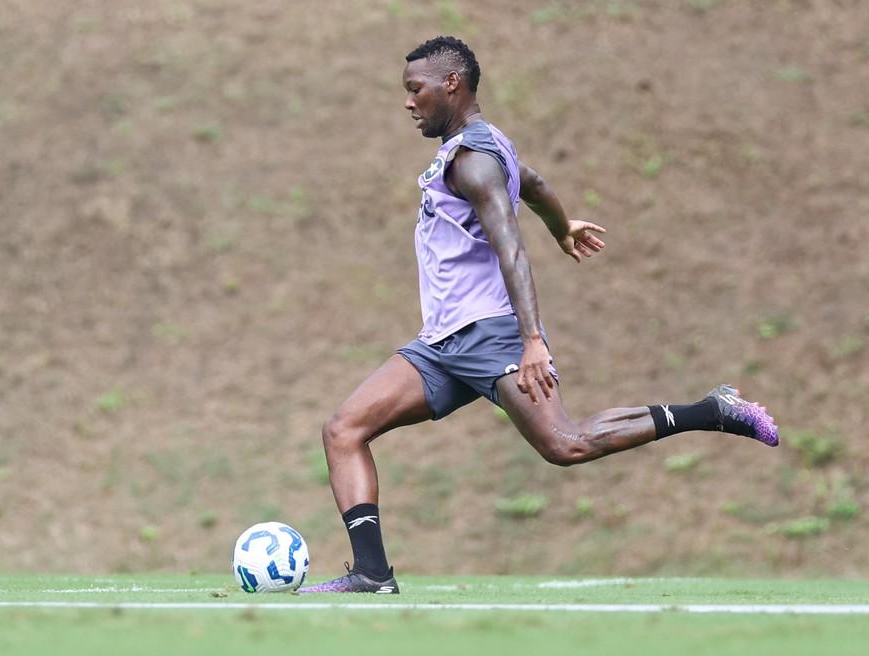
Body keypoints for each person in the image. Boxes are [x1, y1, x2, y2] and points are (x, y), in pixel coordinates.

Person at [299, 36, 778, 595]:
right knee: (344, 429)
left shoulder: (474, 161)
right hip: (443, 342)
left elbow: (511, 249)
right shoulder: (481, 148)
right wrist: (562, 226)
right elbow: (535, 184)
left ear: (451, 84)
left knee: (566, 443)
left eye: (416, 89)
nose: (408, 102)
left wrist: (531, 340)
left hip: (491, 334)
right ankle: (372, 573)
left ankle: (713, 410)